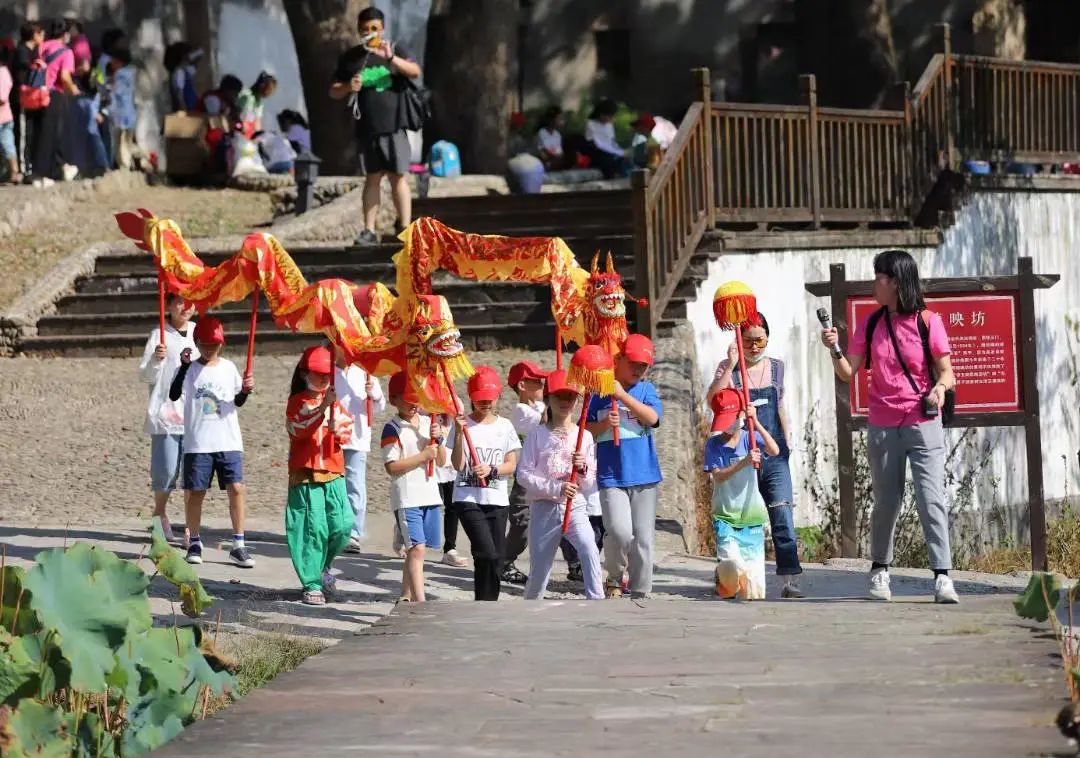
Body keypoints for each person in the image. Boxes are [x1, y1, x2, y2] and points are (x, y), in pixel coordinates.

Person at [820, 249, 959, 604]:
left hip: (923, 422)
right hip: (882, 424)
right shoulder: (871, 324)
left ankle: (942, 576)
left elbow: (947, 372)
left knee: (931, 498)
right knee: (886, 501)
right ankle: (880, 569)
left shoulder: (928, 321)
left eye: (878, 278)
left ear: (895, 282)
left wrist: (940, 390)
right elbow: (847, 372)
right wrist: (834, 349)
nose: (874, 284)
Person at [708, 313, 804, 598]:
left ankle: (789, 580)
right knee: (736, 517)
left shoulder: (777, 368)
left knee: (782, 511)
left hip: (773, 452)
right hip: (741, 456)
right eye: (748, 341)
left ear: (768, 338)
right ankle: (728, 577)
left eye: (759, 340)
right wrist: (731, 365)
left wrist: (787, 439)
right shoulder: (728, 367)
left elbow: (781, 406)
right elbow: (713, 400)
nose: (753, 347)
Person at [168, 316, 256, 569]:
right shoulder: (189, 369)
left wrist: (245, 391)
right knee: (196, 492)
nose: (209, 349)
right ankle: (194, 541)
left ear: (221, 344)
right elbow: (174, 393)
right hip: (198, 442)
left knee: (236, 488)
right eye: (205, 344)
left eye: (214, 345)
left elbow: (237, 401)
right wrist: (183, 367)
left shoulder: (228, 367)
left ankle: (238, 544)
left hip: (228, 440)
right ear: (197, 343)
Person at [329, 6, 423, 246]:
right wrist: (348, 87)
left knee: (398, 177)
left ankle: (405, 227)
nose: (370, 33)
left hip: (395, 125)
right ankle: (369, 230)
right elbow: (333, 91)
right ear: (358, 30)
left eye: (374, 28)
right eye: (365, 29)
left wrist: (391, 58)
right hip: (367, 127)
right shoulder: (352, 57)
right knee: (372, 178)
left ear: (382, 29)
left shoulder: (395, 49)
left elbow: (414, 71)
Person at [586, 334, 662, 598]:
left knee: (643, 538)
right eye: (633, 363)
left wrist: (622, 396)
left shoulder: (646, 390)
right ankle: (615, 577)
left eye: (644, 365)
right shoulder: (597, 392)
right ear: (618, 359)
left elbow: (653, 418)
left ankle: (641, 591)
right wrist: (604, 425)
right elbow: (585, 430)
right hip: (611, 476)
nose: (638, 370)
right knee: (619, 532)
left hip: (644, 475)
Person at [519, 369, 603, 600]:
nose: (565, 402)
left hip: (575, 506)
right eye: (559, 396)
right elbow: (523, 474)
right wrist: (556, 488)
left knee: (589, 548)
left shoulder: (584, 436)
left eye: (570, 396)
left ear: (577, 401)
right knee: (539, 571)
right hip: (544, 508)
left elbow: (589, 482)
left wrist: (582, 468)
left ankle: (598, 602)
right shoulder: (537, 435)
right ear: (548, 399)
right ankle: (530, 609)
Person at [285, 346, 355, 606]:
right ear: (305, 374)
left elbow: (347, 431)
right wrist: (323, 408)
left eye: (327, 373)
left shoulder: (336, 403)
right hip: (306, 474)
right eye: (317, 373)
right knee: (312, 529)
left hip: (334, 472)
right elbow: (298, 429)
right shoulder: (297, 402)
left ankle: (323, 566)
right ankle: (312, 583)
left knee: (342, 526)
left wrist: (339, 430)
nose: (324, 378)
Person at [447, 367, 521, 601]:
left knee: (496, 558)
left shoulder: (505, 426)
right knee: (485, 552)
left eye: (489, 398)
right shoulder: (463, 425)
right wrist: (459, 434)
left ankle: (486, 603)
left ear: (497, 396)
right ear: (471, 397)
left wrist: (493, 470)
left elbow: (512, 464)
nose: (485, 403)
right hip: (468, 498)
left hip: (497, 500)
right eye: (480, 399)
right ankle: (484, 603)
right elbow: (458, 465)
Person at [705, 389, 780, 600]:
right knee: (731, 566)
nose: (727, 427)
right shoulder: (714, 444)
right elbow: (718, 477)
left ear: (740, 415)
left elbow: (774, 450)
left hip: (751, 517)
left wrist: (755, 422)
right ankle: (724, 581)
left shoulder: (750, 438)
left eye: (731, 420)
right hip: (725, 516)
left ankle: (732, 584)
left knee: (754, 593)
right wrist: (744, 462)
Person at [382, 372, 448, 603]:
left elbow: (441, 462)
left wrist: (439, 442)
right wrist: (423, 456)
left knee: (419, 549)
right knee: (417, 548)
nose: (413, 403)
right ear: (394, 399)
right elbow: (391, 466)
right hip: (407, 496)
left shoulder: (430, 424)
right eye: (407, 399)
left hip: (430, 494)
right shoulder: (392, 429)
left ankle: (405, 594)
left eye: (416, 397)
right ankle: (421, 602)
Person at [137, 294, 197, 543]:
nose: (186, 306)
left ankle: (191, 525)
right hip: (166, 414)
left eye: (190, 301)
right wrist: (155, 359)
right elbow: (145, 376)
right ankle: (159, 513)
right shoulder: (158, 335)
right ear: (169, 305)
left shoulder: (198, 332)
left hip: (194, 415)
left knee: (192, 475)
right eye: (180, 301)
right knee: (167, 471)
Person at [502, 360, 548, 584]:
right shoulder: (520, 411)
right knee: (522, 523)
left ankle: (573, 562)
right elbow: (547, 421)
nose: (542, 385)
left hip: (545, 474)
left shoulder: (539, 405)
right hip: (525, 478)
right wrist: (553, 396)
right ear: (522, 385)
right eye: (537, 381)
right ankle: (504, 560)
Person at [334, 353, 386, 553]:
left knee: (354, 485)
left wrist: (374, 394)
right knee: (332, 485)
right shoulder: (329, 371)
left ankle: (354, 533)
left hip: (357, 437)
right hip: (331, 436)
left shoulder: (365, 372)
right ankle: (334, 528)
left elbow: (379, 406)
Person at [30, 18, 79, 186]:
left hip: (36, 93)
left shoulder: (41, 47)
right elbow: (64, 77)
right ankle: (44, 175)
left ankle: (36, 171)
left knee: (38, 133)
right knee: (50, 134)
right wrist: (73, 89)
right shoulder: (66, 52)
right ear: (65, 34)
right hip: (53, 95)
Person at [12, 21, 43, 178]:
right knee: (23, 133)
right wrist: (35, 66)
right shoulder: (22, 52)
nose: (42, 37)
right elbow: (23, 77)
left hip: (34, 99)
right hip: (23, 99)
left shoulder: (33, 51)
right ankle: (23, 168)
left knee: (31, 133)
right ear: (34, 35)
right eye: (40, 34)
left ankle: (29, 164)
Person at [106, 48, 137, 170]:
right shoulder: (132, 73)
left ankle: (125, 167)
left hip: (120, 115)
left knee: (120, 144)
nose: (111, 63)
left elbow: (116, 94)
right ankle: (132, 163)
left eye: (113, 60)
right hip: (131, 114)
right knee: (128, 143)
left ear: (119, 62)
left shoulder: (119, 75)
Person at [584, 98, 629, 179]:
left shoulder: (609, 125)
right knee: (606, 158)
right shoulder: (591, 124)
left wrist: (621, 151)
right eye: (610, 116)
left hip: (609, 150)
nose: (611, 118)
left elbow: (612, 142)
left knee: (624, 159)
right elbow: (598, 144)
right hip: (597, 151)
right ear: (602, 114)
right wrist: (616, 152)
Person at [237, 71, 277, 137]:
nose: (269, 93)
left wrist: (261, 135)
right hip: (239, 130)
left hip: (249, 133)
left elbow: (257, 123)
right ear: (262, 85)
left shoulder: (258, 102)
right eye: (268, 89)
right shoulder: (247, 96)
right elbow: (242, 117)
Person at [0, 46, 18, 183]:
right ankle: (12, 172)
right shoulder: (5, 72)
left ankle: (13, 171)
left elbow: (2, 97)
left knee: (7, 145)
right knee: (8, 145)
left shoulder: (2, 73)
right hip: (5, 116)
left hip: (2, 117)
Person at [535, 105, 568, 171]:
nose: (561, 121)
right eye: (559, 118)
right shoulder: (541, 133)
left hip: (556, 161)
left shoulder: (558, 135)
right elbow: (542, 151)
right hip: (546, 160)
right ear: (551, 119)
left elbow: (559, 151)